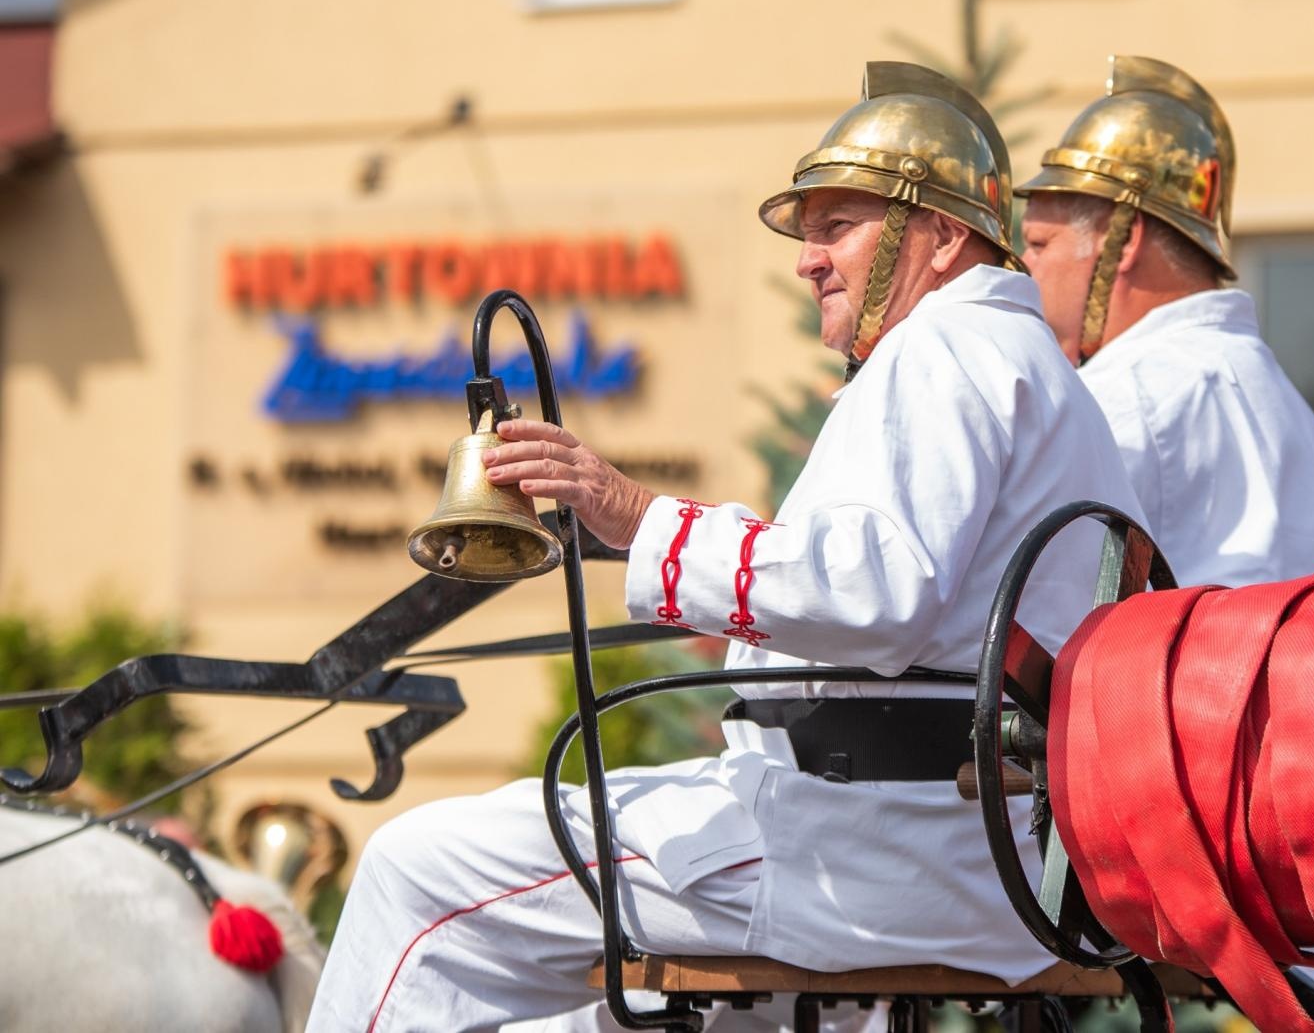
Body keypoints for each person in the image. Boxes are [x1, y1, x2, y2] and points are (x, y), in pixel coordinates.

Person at [307, 62, 1143, 1033]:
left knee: (417, 877)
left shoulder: (942, 350)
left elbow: (872, 592)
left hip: (874, 855)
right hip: (955, 847)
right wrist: (628, 531)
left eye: (838, 226)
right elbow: (894, 591)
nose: (806, 260)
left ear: (944, 235)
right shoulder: (1022, 363)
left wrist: (634, 515)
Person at [1017, 55, 1314, 587]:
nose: (1026, 271)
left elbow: (1038, 609)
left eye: (1039, 245)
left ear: (1125, 241)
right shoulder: (1290, 412)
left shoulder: (1124, 396)